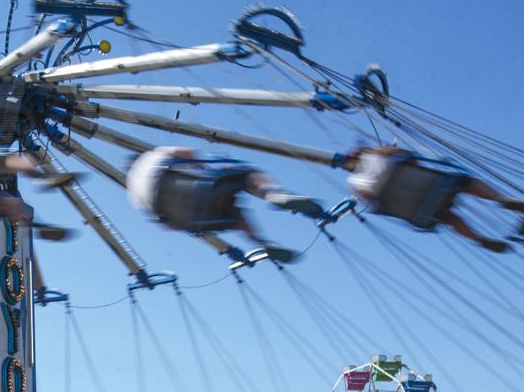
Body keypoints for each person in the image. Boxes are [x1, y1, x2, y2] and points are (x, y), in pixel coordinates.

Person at [126, 146, 320, 261]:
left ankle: (262, 242)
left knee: (235, 217)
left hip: (193, 219)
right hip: (195, 187)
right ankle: (273, 193)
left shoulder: (134, 195)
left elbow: (167, 225)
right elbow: (186, 152)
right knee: (246, 173)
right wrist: (203, 168)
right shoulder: (153, 155)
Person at [342, 146, 524, 253]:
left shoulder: (354, 183)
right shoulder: (377, 154)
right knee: (466, 182)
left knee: (447, 217)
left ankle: (479, 239)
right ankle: (502, 200)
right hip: (432, 185)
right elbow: (411, 157)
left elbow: (373, 203)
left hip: (418, 211)